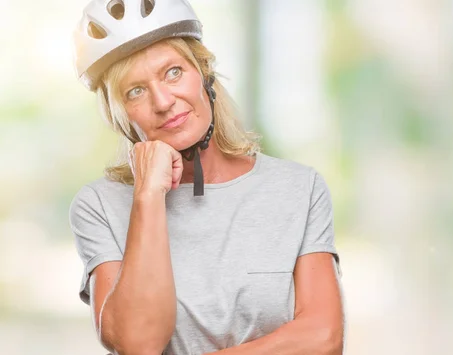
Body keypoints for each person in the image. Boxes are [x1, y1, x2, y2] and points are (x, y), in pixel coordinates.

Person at [68, 0, 345, 354]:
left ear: (205, 74)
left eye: (173, 72)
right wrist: (148, 196)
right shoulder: (99, 206)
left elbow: (323, 338)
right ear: (121, 115)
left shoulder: (299, 189)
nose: (163, 101)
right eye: (135, 91)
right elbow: (139, 343)